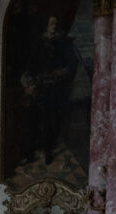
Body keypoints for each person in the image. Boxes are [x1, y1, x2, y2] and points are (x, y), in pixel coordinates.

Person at [19, 15, 80, 166]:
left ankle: (48, 151)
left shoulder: (64, 43)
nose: (54, 26)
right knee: (31, 121)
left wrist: (62, 72)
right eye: (51, 23)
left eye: (56, 23)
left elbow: (72, 64)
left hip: (55, 89)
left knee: (50, 121)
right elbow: (30, 66)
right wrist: (29, 85)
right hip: (39, 87)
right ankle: (29, 153)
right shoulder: (39, 43)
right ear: (46, 26)